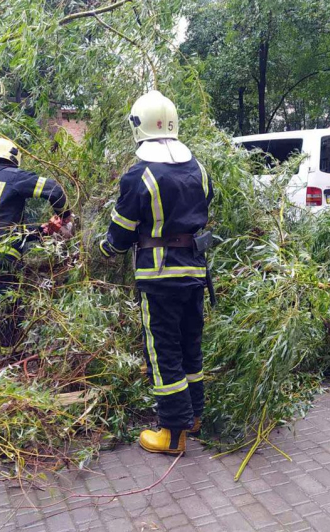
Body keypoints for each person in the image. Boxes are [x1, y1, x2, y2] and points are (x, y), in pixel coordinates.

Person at [98, 90, 214, 454]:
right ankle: (194, 416)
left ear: (137, 126)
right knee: (190, 346)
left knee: (163, 352)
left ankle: (172, 433)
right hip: (194, 271)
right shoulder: (199, 168)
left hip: (159, 279)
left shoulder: (139, 175)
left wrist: (106, 249)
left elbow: (121, 232)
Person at [0, 137, 72, 375]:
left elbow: (3, 228)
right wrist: (65, 218)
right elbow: (54, 189)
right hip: (1, 255)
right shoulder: (12, 176)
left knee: (11, 309)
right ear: (12, 156)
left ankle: (8, 363)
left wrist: (42, 231)